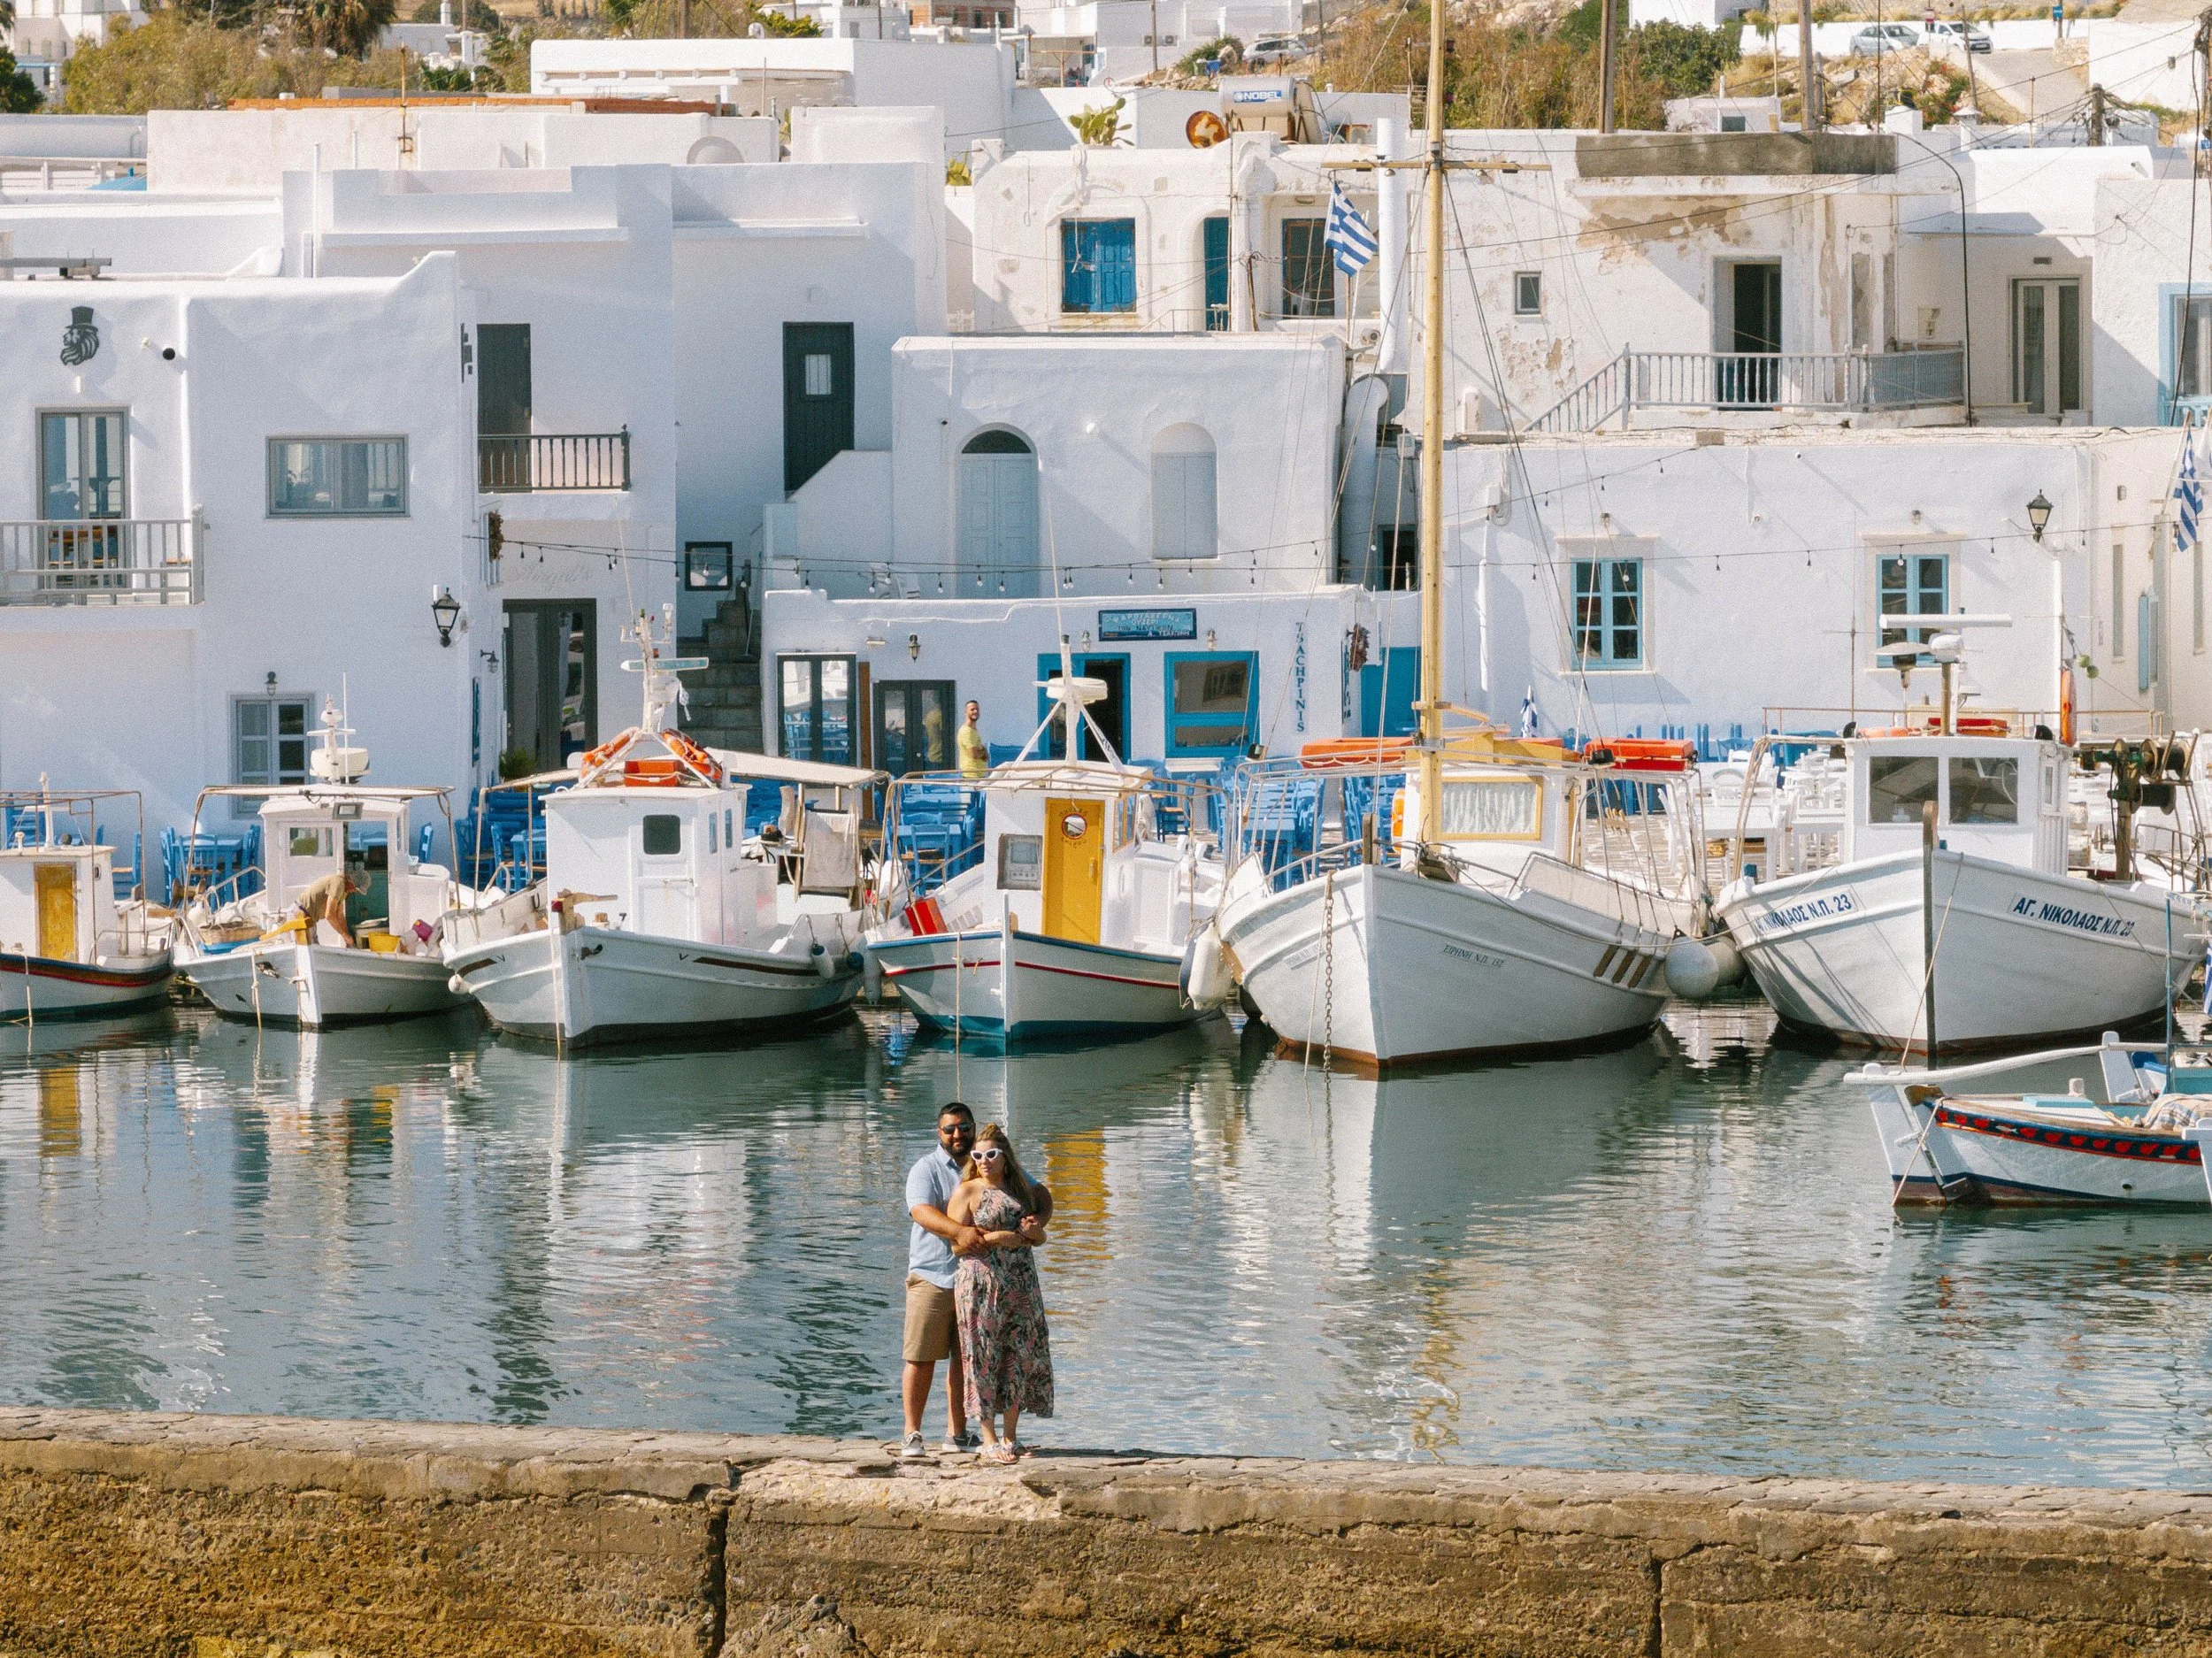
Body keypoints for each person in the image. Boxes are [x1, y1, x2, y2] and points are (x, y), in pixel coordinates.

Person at [948, 1125, 1055, 1464]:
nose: (983, 1161)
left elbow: (1038, 1235)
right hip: (980, 1283)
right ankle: (988, 1437)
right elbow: (955, 1245)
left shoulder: (1022, 1190)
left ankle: (1011, 1435)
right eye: (978, 1155)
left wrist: (1035, 1231)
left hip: (1021, 1283)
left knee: (1019, 1352)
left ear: (1005, 1158)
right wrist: (997, 1239)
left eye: (991, 1155)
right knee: (982, 1353)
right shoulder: (967, 1191)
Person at [902, 1102, 980, 1459]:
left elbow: (1035, 1190)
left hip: (975, 1279)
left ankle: (957, 1434)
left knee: (965, 1360)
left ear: (974, 1128)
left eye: (964, 1127)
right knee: (920, 1357)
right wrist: (961, 1232)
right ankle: (912, 1434)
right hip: (932, 1275)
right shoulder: (926, 1168)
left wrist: (1037, 1218)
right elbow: (921, 1212)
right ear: (940, 1132)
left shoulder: (989, 1163)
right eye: (950, 1129)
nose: (958, 1135)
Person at [295, 869, 360, 947]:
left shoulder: (344, 891)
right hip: (301, 913)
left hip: (310, 917)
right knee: (307, 950)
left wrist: (347, 938)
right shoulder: (338, 883)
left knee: (315, 950)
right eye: (355, 888)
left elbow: (340, 914)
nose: (354, 891)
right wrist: (344, 935)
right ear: (351, 881)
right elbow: (330, 915)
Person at [956, 700, 988, 779]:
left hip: (979, 774)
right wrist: (984, 753)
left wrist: (983, 751)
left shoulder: (973, 730)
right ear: (966, 712)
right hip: (972, 775)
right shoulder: (967, 731)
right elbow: (973, 754)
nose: (975, 711)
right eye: (972, 709)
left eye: (977, 709)